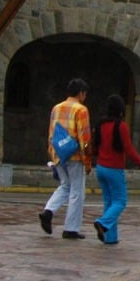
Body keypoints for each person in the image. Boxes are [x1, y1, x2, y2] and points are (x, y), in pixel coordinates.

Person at [91, 94, 140, 245]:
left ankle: (110, 237)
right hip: (114, 168)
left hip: (101, 167)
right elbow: (129, 149)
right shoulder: (121, 126)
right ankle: (103, 223)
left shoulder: (101, 124)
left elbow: (95, 145)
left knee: (109, 202)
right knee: (120, 201)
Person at [39, 78, 91, 239]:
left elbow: (51, 132)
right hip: (74, 155)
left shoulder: (56, 108)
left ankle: (48, 211)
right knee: (77, 191)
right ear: (81, 93)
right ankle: (71, 228)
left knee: (65, 185)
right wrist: (87, 160)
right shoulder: (81, 110)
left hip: (58, 153)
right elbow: (84, 137)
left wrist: (51, 152)